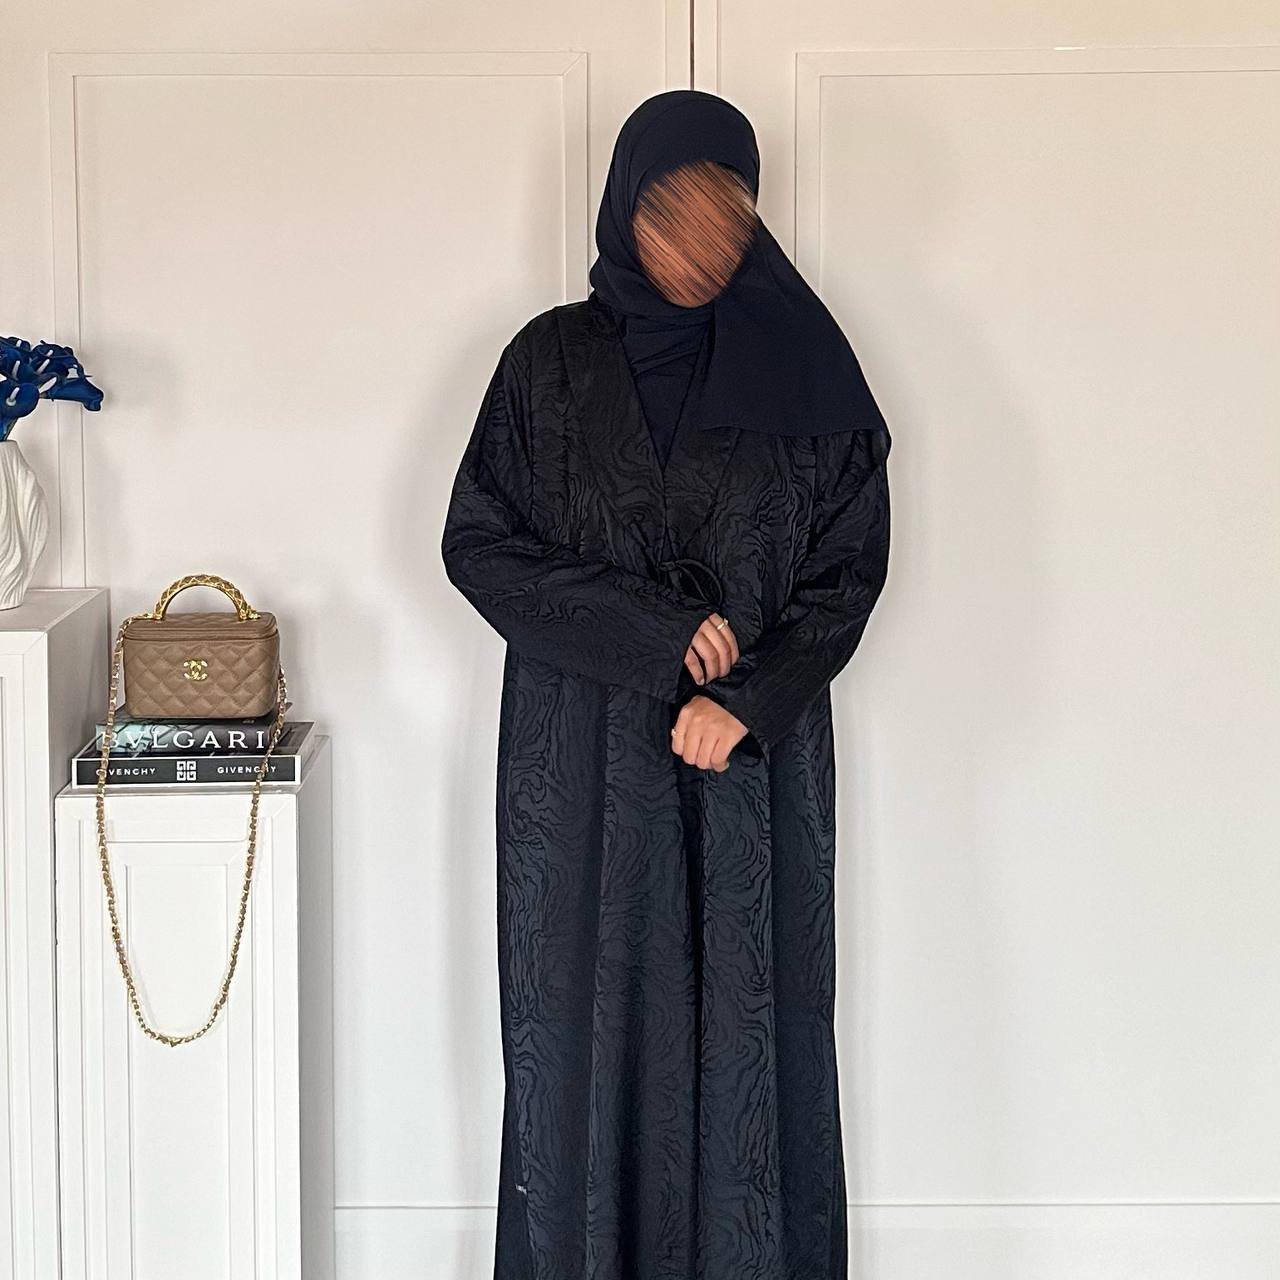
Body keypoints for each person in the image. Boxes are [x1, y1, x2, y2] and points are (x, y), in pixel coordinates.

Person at [441, 88, 892, 1280]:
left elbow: (846, 572)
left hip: (745, 771)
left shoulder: (805, 370)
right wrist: (652, 629)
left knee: (750, 1029)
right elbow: (478, 544)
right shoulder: (544, 365)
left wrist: (745, 700)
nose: (695, 247)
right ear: (621, 210)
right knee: (581, 1031)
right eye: (668, 216)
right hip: (578, 766)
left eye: (721, 220)